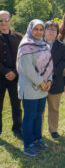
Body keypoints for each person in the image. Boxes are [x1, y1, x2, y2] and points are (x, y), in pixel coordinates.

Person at [17, 19, 53, 157]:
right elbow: (27, 68)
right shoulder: (25, 46)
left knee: (38, 116)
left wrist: (49, 81)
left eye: (41, 29)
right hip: (30, 88)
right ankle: (28, 145)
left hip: (43, 89)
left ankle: (38, 140)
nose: (38, 32)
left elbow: (49, 64)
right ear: (30, 30)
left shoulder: (44, 45)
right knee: (30, 117)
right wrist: (41, 83)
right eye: (35, 29)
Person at [44, 21, 65, 139]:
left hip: (55, 80)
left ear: (57, 32)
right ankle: (37, 131)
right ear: (44, 31)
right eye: (49, 29)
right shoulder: (37, 44)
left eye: (54, 30)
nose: (51, 32)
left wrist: (54, 71)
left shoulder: (61, 46)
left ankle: (53, 130)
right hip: (40, 82)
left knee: (54, 107)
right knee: (39, 109)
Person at [0, 10, 22, 139]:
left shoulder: (19, 37)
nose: (3, 23)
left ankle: (18, 129)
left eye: (6, 20)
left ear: (10, 20)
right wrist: (6, 71)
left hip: (15, 77)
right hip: (0, 77)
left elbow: (22, 58)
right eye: (0, 20)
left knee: (16, 105)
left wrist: (14, 72)